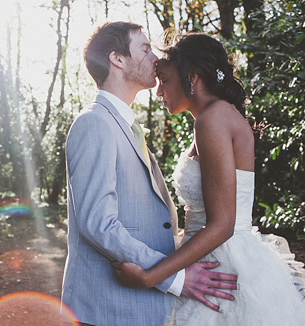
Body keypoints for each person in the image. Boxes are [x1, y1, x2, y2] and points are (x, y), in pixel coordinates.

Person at [113, 33, 305, 325]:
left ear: (191, 76)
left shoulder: (212, 119)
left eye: (164, 79)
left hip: (221, 264)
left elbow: (222, 223)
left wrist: (149, 276)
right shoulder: (217, 116)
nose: (158, 91)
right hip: (211, 254)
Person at [60, 22, 237, 326]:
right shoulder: (94, 124)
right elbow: (97, 223)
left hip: (135, 308)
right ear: (117, 59)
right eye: (144, 48)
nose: (155, 58)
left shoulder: (126, 125)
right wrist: (174, 277)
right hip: (104, 310)